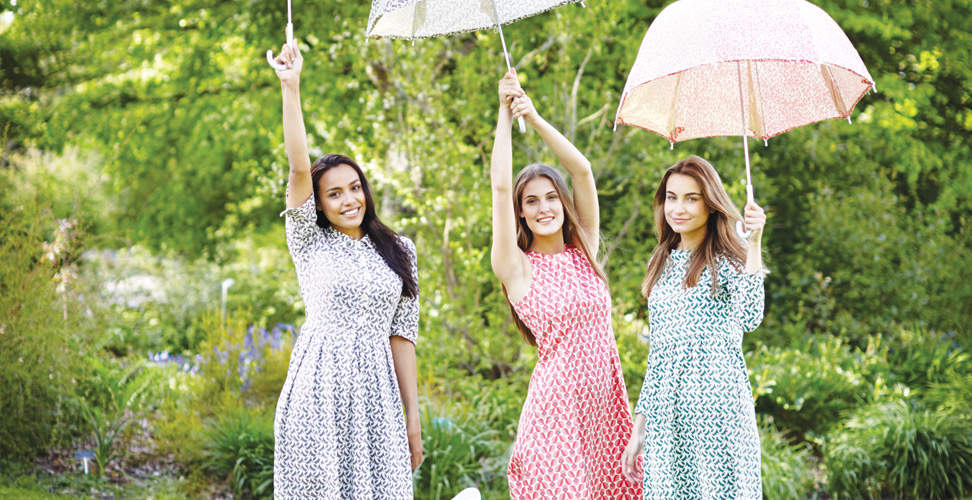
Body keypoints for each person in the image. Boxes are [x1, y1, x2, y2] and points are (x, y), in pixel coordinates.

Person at [270, 41, 422, 499]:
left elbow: (403, 337)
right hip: (319, 390)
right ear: (318, 203)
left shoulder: (400, 250)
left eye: (354, 187)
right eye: (333, 193)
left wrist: (412, 418)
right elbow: (299, 168)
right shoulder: (309, 240)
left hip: (378, 396)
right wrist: (290, 88)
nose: (348, 199)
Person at [490, 69, 642, 499]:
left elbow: (583, 170)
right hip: (556, 413)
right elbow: (501, 187)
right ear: (520, 213)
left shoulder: (584, 250)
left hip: (605, 406)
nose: (544, 208)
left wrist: (533, 117)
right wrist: (505, 113)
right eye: (532, 202)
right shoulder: (515, 266)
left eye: (551, 196)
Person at [621, 155, 767, 498]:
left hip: (717, 408)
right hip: (669, 416)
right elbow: (659, 357)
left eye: (691, 198)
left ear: (710, 204)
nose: (679, 208)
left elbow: (751, 315)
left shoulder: (728, 260)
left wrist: (754, 243)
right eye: (672, 197)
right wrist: (639, 427)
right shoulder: (661, 264)